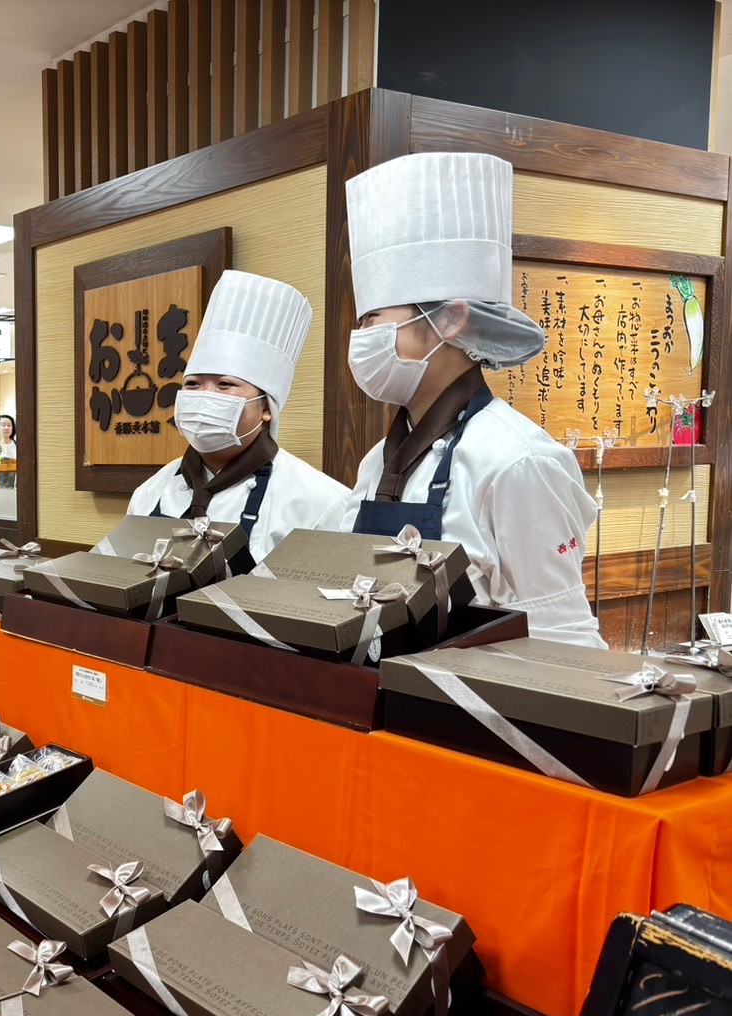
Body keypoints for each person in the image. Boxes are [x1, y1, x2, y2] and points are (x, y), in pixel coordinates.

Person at [340, 151, 604, 648]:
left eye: (374, 317)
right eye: (361, 321)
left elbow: (560, 638)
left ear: (451, 319)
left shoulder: (518, 461)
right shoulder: (379, 462)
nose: (362, 336)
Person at [127, 269, 350, 569]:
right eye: (192, 384)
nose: (205, 395)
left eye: (224, 384)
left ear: (266, 407)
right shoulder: (150, 492)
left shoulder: (321, 503)